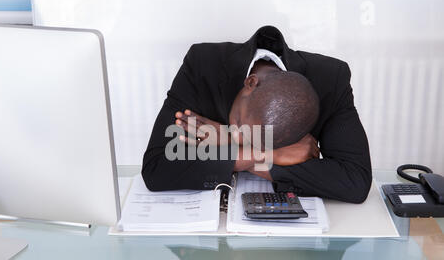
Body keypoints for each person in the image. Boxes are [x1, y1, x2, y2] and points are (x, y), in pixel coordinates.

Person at [142, 26, 372, 203]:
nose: (244, 134)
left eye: (270, 143)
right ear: (250, 83)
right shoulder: (202, 63)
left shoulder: (331, 79)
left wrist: (228, 138)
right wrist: (269, 154)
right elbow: (157, 167)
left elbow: (355, 181)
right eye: (241, 126)